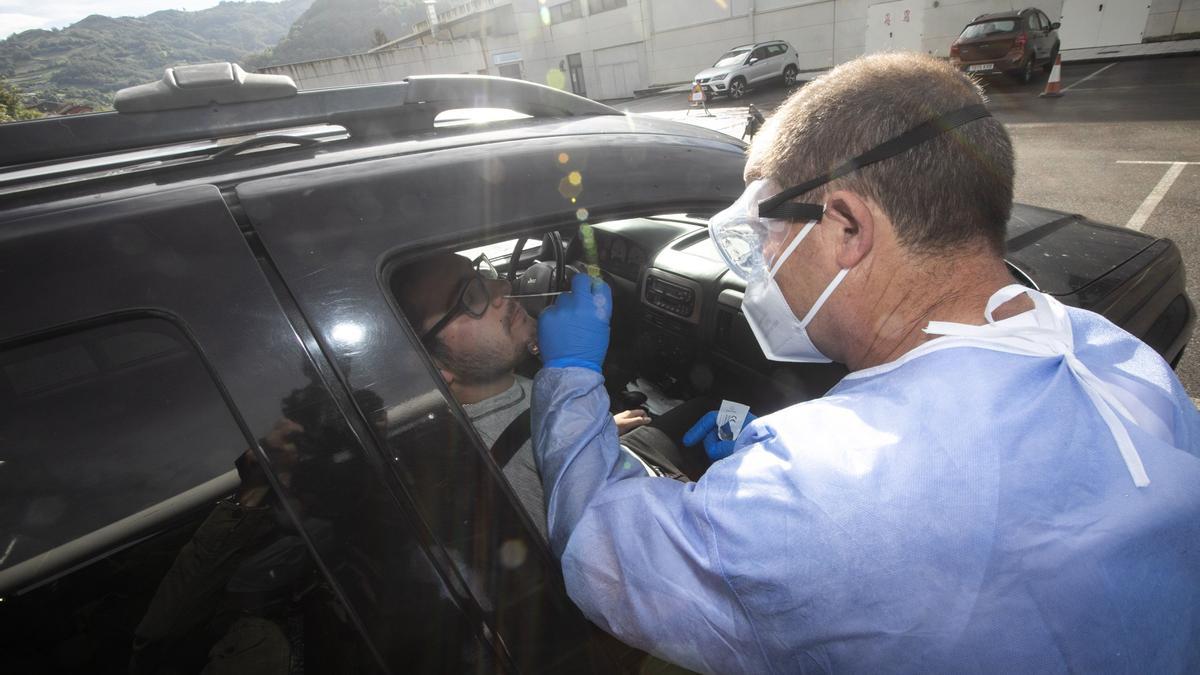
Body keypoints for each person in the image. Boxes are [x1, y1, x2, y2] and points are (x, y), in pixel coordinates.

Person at [530, 53, 1200, 673]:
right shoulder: (1118, 355)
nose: (760, 258)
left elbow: (596, 548)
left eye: (767, 228)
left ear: (847, 227)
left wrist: (570, 372)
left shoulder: (815, 491)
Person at [391, 253, 710, 541]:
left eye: (482, 273)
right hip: (646, 509)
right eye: (471, 297)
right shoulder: (503, 466)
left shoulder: (497, 384)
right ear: (430, 365)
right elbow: (607, 545)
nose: (502, 285)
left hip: (609, 450)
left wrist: (596, 427)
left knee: (711, 410)